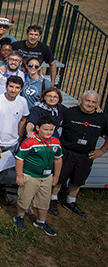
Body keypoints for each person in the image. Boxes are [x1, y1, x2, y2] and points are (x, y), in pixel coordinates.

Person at [51, 90, 108, 218]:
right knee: (59, 177)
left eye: (94, 102)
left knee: (78, 180)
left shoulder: (102, 118)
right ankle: (52, 199)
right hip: (67, 151)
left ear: (97, 104)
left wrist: (102, 150)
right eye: (88, 100)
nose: (90, 104)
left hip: (86, 155)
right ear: (81, 100)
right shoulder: (69, 113)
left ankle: (70, 201)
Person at [0, 76, 29, 211]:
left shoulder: (22, 102)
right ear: (6, 86)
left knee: (1, 174)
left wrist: (19, 137)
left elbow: (23, 119)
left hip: (11, 144)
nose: (13, 90)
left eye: (16, 88)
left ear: (21, 89)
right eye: (11, 86)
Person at [14, 117, 62, 236]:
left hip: (46, 177)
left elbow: (58, 159)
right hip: (30, 176)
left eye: (51, 130)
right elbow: (20, 159)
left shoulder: (56, 142)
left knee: (44, 200)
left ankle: (41, 221)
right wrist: (20, 176)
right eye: (45, 129)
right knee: (24, 198)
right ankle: (19, 216)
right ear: (37, 128)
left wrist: (56, 176)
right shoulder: (29, 142)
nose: (48, 132)